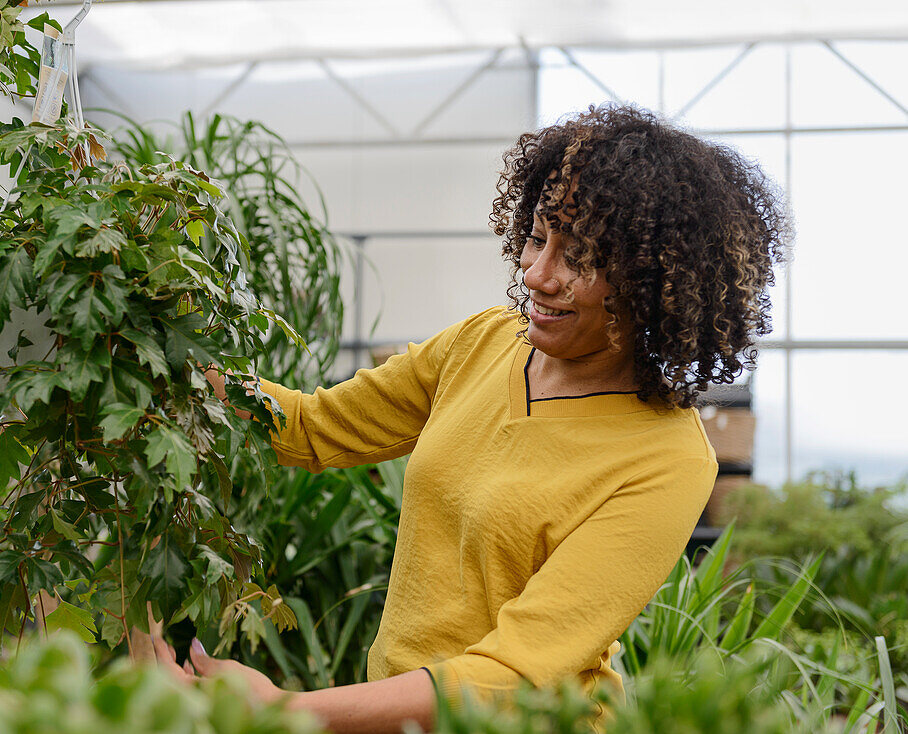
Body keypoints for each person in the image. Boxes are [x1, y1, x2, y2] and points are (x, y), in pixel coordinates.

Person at [150, 102, 793, 733]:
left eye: (579, 258)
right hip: (400, 714)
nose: (536, 274)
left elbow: (511, 676)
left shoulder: (666, 459)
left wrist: (282, 710)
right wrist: (175, 358)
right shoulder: (484, 343)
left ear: (656, 280)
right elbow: (311, 428)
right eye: (539, 238)